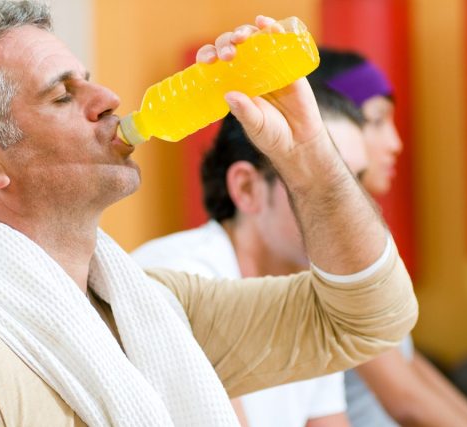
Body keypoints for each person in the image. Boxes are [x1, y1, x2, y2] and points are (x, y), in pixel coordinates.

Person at [0, 3, 418, 425]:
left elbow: (370, 319)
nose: (106, 97)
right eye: (62, 96)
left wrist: (310, 157)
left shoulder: (156, 310)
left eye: (89, 78)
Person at [132, 83, 368, 427]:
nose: (353, 205)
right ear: (246, 187)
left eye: (355, 181)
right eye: (325, 180)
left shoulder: (313, 297)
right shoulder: (175, 277)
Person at [310, 48, 467, 427]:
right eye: (377, 122)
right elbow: (406, 399)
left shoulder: (362, 234)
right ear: (333, 129)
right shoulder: (326, 248)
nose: (395, 143)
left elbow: (411, 366)